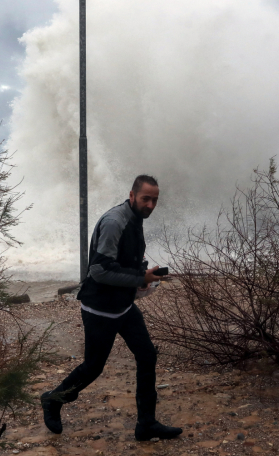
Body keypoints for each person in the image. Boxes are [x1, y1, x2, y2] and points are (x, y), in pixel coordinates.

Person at [40, 175, 182, 441]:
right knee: (93, 367)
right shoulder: (115, 221)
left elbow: (122, 261)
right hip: (100, 309)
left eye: (155, 200)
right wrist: (141, 278)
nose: (150, 205)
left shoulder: (136, 218)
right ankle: (53, 400)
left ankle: (146, 424)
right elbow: (99, 270)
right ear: (132, 195)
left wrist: (143, 274)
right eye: (145, 199)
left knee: (147, 355)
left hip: (123, 307)